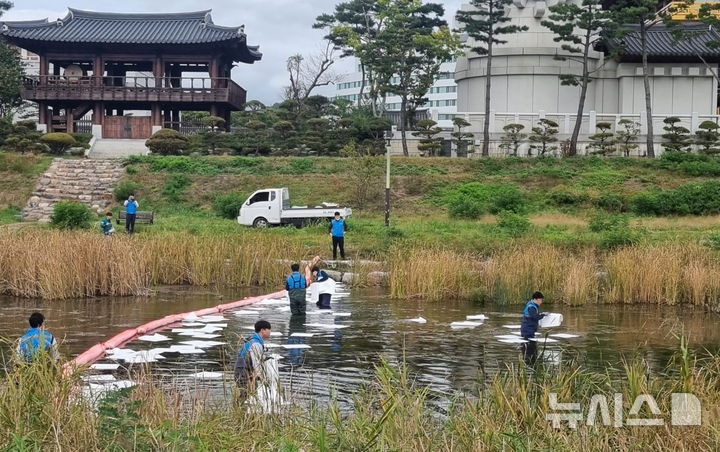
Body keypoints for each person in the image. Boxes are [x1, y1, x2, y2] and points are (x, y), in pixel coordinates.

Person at [234, 320, 272, 396]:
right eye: (269, 329)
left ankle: (239, 406)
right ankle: (241, 407)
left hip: (242, 370)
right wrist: (262, 378)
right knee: (247, 394)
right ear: (262, 330)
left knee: (251, 393)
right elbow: (256, 362)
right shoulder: (256, 343)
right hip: (244, 372)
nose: (270, 332)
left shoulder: (252, 340)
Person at [520, 291, 545, 363]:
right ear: (535, 299)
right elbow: (535, 316)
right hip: (528, 330)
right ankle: (530, 361)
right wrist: (542, 316)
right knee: (530, 349)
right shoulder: (531, 307)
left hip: (528, 330)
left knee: (531, 348)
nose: (541, 302)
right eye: (540, 300)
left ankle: (531, 360)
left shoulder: (532, 305)